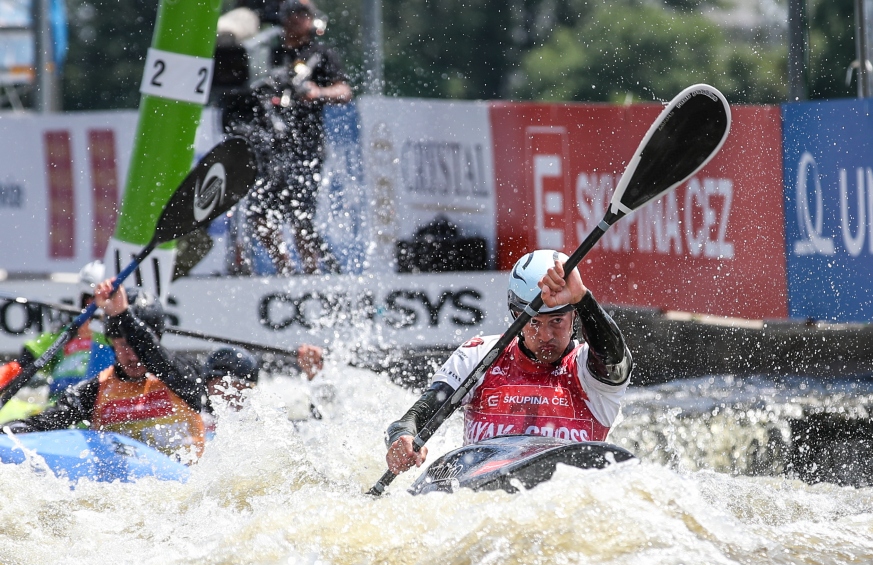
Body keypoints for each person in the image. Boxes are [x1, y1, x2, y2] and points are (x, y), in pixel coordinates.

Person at [384, 249, 634, 475]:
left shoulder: (588, 370)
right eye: (534, 322)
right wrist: (403, 438)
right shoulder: (479, 355)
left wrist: (583, 298)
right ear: (516, 315)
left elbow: (612, 356)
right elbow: (412, 420)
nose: (546, 336)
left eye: (557, 321)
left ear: (575, 315)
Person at [5, 281, 209, 464]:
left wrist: (123, 315)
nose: (132, 355)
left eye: (138, 346)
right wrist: (7, 433)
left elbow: (160, 360)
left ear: (154, 341)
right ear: (111, 343)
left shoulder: (183, 375)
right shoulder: (95, 389)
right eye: (123, 345)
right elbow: (44, 423)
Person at [223, 0, 352, 275]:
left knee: (301, 218)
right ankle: (285, 270)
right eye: (289, 11)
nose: (294, 17)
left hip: (306, 148)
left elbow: (344, 91)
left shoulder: (320, 54)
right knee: (260, 213)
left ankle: (310, 273)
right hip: (270, 146)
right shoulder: (267, 50)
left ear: (313, 19)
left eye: (301, 12)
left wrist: (318, 92)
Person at [0, 261, 115, 422]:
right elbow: (19, 367)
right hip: (57, 420)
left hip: (97, 420)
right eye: (90, 299)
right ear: (80, 299)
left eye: (104, 300)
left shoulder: (118, 340)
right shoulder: (60, 337)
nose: (95, 305)